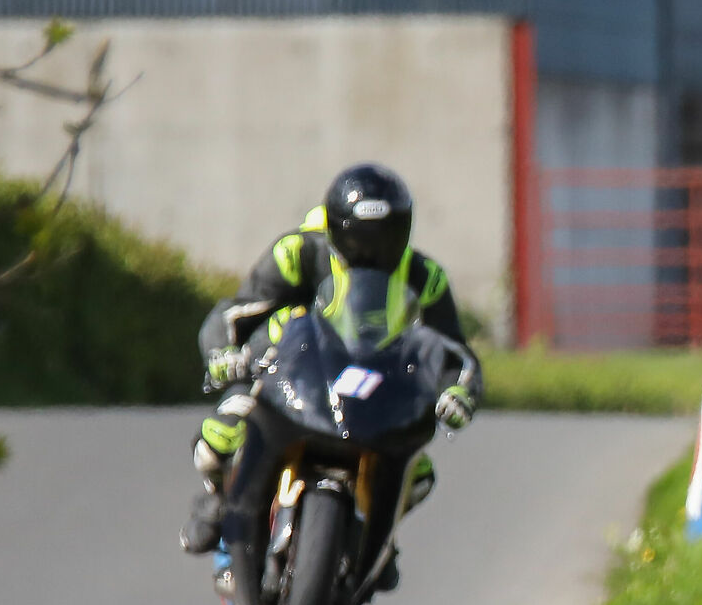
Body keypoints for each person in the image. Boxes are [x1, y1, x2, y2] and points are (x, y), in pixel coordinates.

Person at [180, 164, 483, 556]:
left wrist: (458, 391)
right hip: (283, 371)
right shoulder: (298, 251)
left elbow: (455, 352)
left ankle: (378, 537)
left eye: (384, 236)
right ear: (336, 227)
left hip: (372, 385)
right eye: (359, 238)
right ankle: (220, 498)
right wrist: (224, 353)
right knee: (219, 439)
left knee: (418, 475)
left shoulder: (426, 276)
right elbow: (234, 311)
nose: (371, 249)